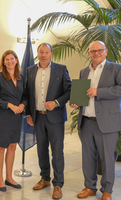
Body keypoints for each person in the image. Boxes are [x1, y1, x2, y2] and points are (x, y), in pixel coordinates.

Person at [70, 41, 121, 200]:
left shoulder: (116, 68)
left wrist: (98, 91)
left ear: (105, 51)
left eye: (99, 50)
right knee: (88, 156)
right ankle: (89, 187)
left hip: (107, 122)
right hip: (86, 121)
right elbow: (83, 94)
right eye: (93, 51)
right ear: (89, 53)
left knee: (107, 158)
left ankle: (107, 190)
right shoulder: (84, 71)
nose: (96, 53)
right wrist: (77, 102)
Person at [25, 43, 71, 199]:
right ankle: (45, 178)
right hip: (38, 117)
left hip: (55, 117)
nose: (43, 55)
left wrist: (56, 102)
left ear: (51, 53)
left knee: (57, 152)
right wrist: (28, 114)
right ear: (37, 53)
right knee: (41, 150)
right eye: (41, 52)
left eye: (46, 52)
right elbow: (27, 94)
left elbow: (69, 90)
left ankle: (58, 184)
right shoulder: (30, 70)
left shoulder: (61, 69)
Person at [0, 50, 26, 192]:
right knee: (1, 148)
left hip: (16, 117)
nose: (10, 61)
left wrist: (23, 105)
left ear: (16, 60)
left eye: (12, 58)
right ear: (3, 62)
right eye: (7, 59)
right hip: (2, 117)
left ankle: (9, 177)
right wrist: (9, 105)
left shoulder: (22, 77)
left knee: (12, 147)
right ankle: (0, 178)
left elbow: (26, 96)